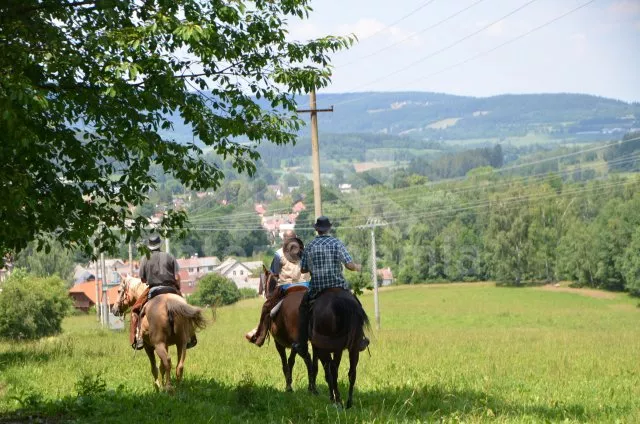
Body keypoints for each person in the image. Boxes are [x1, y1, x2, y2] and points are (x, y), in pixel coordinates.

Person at [291, 216, 370, 356]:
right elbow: (349, 265)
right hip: (338, 285)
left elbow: (303, 270)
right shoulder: (337, 243)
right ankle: (360, 338)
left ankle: (301, 342)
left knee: (303, 308)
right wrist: (358, 267)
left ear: (317, 230)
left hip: (317, 289)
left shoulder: (310, 246)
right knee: (356, 305)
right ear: (329, 228)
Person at [130, 235, 196, 350]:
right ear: (160, 244)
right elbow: (176, 276)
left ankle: (139, 337)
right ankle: (191, 336)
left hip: (154, 289)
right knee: (186, 308)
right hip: (171, 288)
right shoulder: (170, 257)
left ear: (149, 246)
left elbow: (143, 280)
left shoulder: (145, 258)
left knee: (136, 309)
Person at [245, 229, 309, 346]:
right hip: (306, 287)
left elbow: (274, 274)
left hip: (286, 288)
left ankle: (260, 336)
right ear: (296, 238)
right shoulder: (305, 251)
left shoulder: (279, 253)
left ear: (284, 240)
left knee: (266, 307)